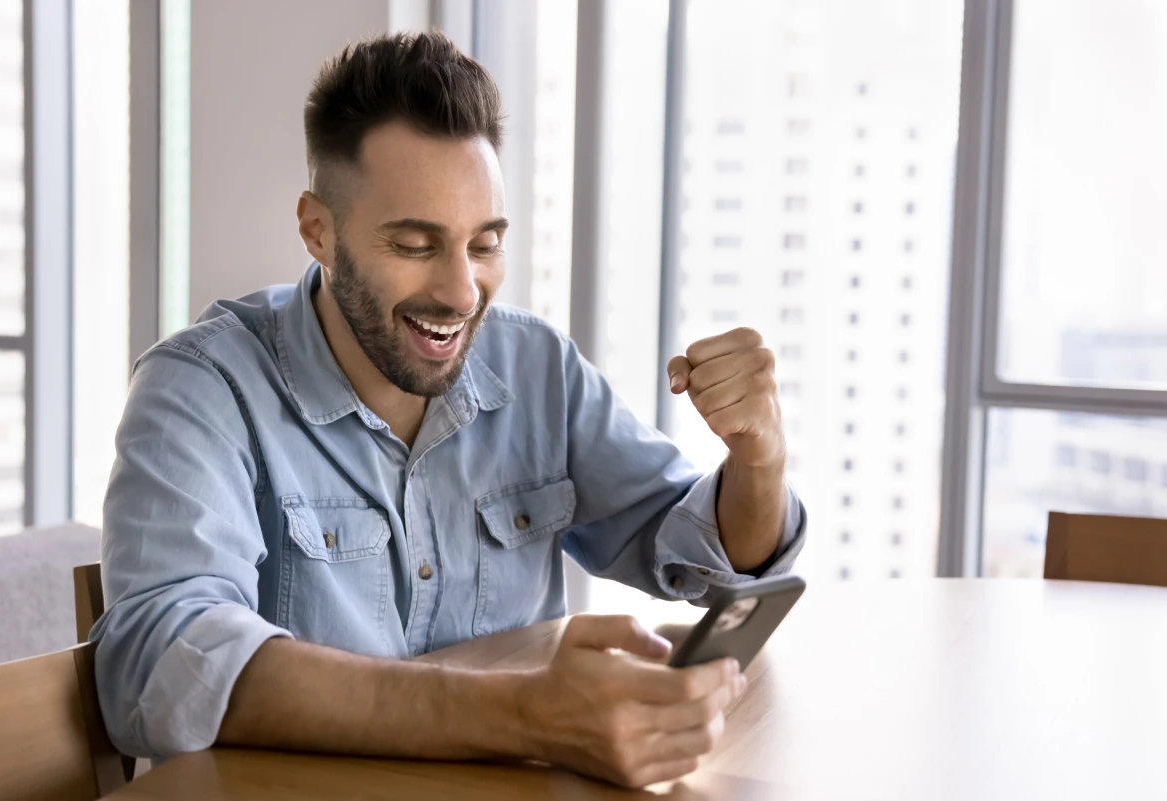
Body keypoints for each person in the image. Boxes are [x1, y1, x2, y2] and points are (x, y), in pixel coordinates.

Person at [93, 32, 806, 789]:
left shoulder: (536, 367)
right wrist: (524, 713)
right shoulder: (202, 387)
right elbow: (159, 663)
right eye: (414, 244)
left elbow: (702, 551)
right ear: (318, 232)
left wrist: (758, 460)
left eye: (484, 245)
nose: (462, 293)